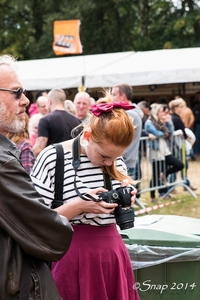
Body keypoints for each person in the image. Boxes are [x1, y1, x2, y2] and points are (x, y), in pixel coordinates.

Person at [0, 54, 121, 299]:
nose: (25, 100)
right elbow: (47, 233)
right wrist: (80, 205)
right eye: (16, 92)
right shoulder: (8, 163)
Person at [30, 94, 140, 300]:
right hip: (68, 256)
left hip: (112, 255)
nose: (110, 163)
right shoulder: (53, 157)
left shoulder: (114, 160)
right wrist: (80, 206)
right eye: (104, 156)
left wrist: (125, 200)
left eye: (116, 157)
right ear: (87, 136)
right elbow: (36, 222)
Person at [145, 103, 184, 202]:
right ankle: (153, 197)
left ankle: (164, 181)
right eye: (161, 111)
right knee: (155, 175)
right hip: (156, 152)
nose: (163, 113)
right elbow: (158, 133)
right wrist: (163, 133)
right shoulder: (150, 122)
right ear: (156, 112)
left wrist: (169, 122)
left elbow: (170, 133)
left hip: (165, 151)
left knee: (179, 165)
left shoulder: (161, 122)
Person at [33, 88, 81, 156]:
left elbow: (38, 149)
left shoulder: (45, 120)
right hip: (72, 164)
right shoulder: (77, 121)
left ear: (50, 101)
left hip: (53, 164)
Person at [111, 83, 143, 180]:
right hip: (129, 159)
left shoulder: (129, 114)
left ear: (123, 96)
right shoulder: (133, 112)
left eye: (114, 95)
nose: (112, 98)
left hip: (125, 160)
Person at [169, 98, 197, 191]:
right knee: (179, 165)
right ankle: (173, 186)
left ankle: (185, 184)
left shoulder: (176, 117)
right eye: (181, 106)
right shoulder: (175, 118)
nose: (182, 108)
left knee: (183, 165)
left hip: (179, 145)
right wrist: (184, 136)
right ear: (175, 107)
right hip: (177, 146)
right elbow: (177, 131)